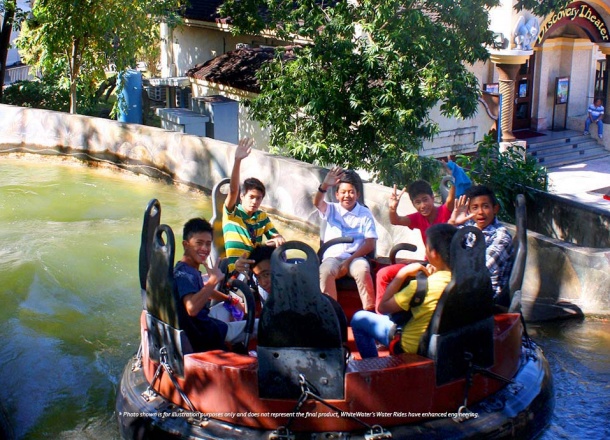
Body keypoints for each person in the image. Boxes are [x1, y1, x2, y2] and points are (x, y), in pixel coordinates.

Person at [350, 223, 457, 358]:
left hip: (412, 347)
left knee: (358, 319)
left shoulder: (421, 286)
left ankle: (371, 365)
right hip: (447, 344)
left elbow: (383, 307)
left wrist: (402, 274)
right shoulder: (466, 281)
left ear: (434, 254)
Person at [374, 178, 456, 312]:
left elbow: (451, 200)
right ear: (413, 204)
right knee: (383, 273)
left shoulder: (444, 211)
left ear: (432, 197)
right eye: (418, 202)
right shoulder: (418, 217)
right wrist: (392, 208)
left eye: (425, 200)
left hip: (445, 266)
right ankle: (381, 316)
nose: (423, 205)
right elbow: (396, 220)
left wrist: (453, 178)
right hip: (426, 263)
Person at [174, 218, 254, 352]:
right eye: (199, 243)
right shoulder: (185, 274)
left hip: (203, 323)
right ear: (185, 244)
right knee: (259, 325)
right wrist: (213, 281)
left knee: (227, 307)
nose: (205, 249)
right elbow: (192, 308)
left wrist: (230, 300)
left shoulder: (184, 268)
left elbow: (203, 291)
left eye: (208, 244)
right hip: (206, 333)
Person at [314, 166, 378, 311]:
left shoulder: (364, 213)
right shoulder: (330, 209)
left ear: (357, 194)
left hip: (355, 257)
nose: (347, 196)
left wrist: (348, 261)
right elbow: (317, 202)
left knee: (362, 269)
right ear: (337, 195)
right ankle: (330, 313)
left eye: (351, 192)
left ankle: (370, 311)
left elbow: (370, 243)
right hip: (333, 258)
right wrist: (324, 185)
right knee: (324, 271)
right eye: (343, 192)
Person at [222, 137, 285, 272]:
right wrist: (237, 160)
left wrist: (277, 240)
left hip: (256, 269)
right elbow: (233, 190)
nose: (254, 202)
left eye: (258, 198)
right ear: (242, 196)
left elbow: (277, 237)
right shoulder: (232, 213)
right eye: (251, 197)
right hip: (236, 270)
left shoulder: (261, 216)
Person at [448, 185, 514, 306]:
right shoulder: (469, 227)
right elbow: (442, 248)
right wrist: (453, 223)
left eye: (485, 206)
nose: (480, 212)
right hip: (467, 287)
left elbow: (480, 272)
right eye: (475, 207)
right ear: (469, 211)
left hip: (488, 298)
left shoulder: (501, 237)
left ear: (495, 209)